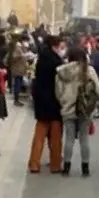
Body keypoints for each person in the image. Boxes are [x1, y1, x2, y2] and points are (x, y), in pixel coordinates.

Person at [56, 46, 99, 177]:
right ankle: (85, 167)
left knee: (69, 138)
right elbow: (98, 89)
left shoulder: (62, 71)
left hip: (68, 107)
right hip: (85, 109)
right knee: (84, 138)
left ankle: (66, 167)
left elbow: (58, 91)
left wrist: (64, 101)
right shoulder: (89, 70)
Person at [28, 35, 66, 173]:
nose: (62, 49)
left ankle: (34, 163)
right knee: (56, 136)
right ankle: (55, 164)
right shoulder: (56, 62)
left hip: (41, 101)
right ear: (54, 46)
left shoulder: (41, 59)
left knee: (39, 134)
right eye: (61, 46)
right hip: (54, 101)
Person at [8, 37, 29, 106]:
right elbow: (14, 57)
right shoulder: (18, 48)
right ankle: (16, 100)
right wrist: (22, 55)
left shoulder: (22, 49)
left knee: (19, 85)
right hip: (17, 70)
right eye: (26, 41)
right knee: (17, 85)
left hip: (20, 70)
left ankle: (17, 99)